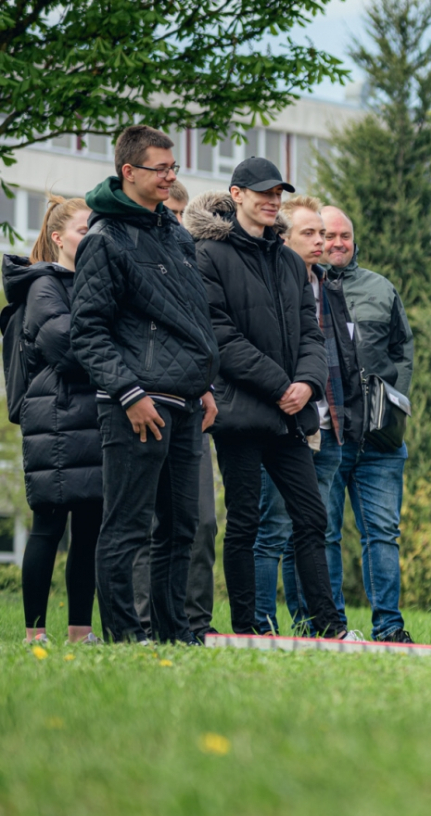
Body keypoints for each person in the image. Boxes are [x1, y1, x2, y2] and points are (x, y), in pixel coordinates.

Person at [186, 157, 352, 640]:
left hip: (291, 416)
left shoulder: (286, 258)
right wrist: (282, 385)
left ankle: (329, 627)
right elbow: (219, 335)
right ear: (236, 194)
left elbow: (310, 333)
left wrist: (306, 384)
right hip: (241, 413)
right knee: (244, 523)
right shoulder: (209, 254)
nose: (272, 201)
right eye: (262, 192)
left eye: (278, 193)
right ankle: (246, 629)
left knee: (312, 517)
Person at [70, 125, 219, 644]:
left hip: (184, 401)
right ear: (128, 171)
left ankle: (176, 636)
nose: (171, 177)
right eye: (161, 168)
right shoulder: (103, 240)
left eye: (173, 168)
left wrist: (204, 385)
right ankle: (124, 639)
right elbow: (87, 333)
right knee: (127, 526)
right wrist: (129, 394)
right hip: (137, 402)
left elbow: (190, 318)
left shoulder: (175, 233)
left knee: (182, 529)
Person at [252, 196, 362, 636]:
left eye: (324, 233)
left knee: (313, 529)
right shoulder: (270, 281)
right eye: (310, 233)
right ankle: (260, 623)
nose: (322, 242)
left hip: (328, 423)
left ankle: (315, 624)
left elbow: (341, 357)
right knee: (273, 528)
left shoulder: (328, 283)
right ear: (284, 237)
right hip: (282, 421)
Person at [3, 196, 102, 644]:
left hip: (92, 415)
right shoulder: (44, 285)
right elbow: (68, 349)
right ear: (59, 238)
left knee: (88, 531)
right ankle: (34, 633)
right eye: (84, 230)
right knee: (48, 525)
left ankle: (80, 632)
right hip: (57, 419)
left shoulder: (94, 282)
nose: (93, 238)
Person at [320, 206, 416, 643]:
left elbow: (404, 349)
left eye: (345, 235)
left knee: (383, 535)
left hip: (379, 438)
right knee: (323, 533)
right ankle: (330, 625)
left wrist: (395, 401)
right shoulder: (302, 284)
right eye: (328, 235)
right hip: (328, 435)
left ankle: (389, 628)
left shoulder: (381, 288)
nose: (338, 243)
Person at [130, 178, 220, 641]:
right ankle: (141, 626)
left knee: (198, 523)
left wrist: (206, 386)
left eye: (184, 215)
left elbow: (202, 336)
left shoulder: (192, 262)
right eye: (171, 212)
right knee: (145, 526)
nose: (178, 223)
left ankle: (191, 624)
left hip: (191, 408)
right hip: (144, 406)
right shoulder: (130, 254)